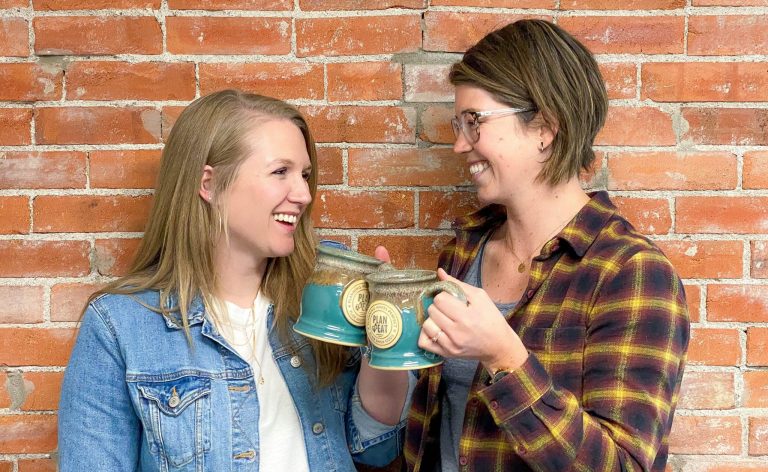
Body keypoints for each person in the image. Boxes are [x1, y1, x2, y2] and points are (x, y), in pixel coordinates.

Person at [58, 89, 411, 471]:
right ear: (208, 184)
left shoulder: (326, 293)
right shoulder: (121, 326)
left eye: (305, 175)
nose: (305, 194)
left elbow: (376, 449)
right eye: (281, 172)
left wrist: (384, 343)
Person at [403, 19, 690, 471]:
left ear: (545, 127)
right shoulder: (463, 253)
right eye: (458, 124)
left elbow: (623, 465)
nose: (459, 145)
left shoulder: (631, 273)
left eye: (474, 122)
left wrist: (505, 356)